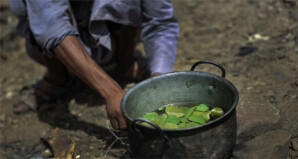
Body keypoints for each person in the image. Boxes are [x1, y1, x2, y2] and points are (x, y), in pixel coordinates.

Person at [9, 0, 179, 130]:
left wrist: (159, 77)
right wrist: (111, 91)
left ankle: (125, 62)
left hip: (109, 34)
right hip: (61, 40)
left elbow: (160, 21)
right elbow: (51, 28)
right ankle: (58, 79)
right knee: (36, 15)